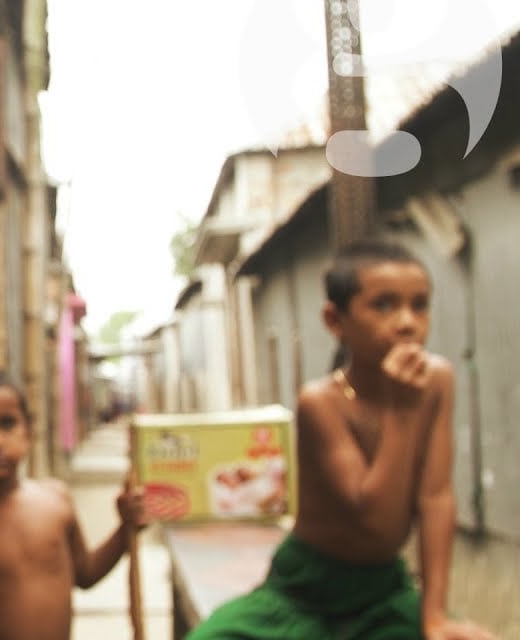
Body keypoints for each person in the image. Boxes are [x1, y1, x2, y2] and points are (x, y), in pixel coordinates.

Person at [188, 239, 495, 640]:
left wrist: (434, 614)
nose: (406, 322)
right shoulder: (321, 402)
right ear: (335, 321)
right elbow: (373, 518)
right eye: (383, 305)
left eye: (419, 305)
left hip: (381, 588)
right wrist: (402, 413)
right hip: (306, 586)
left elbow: (435, 498)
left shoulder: (437, 381)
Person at [0, 365, 146, 640]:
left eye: (7, 423)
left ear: (28, 431)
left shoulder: (56, 499)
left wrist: (126, 528)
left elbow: (85, 574)